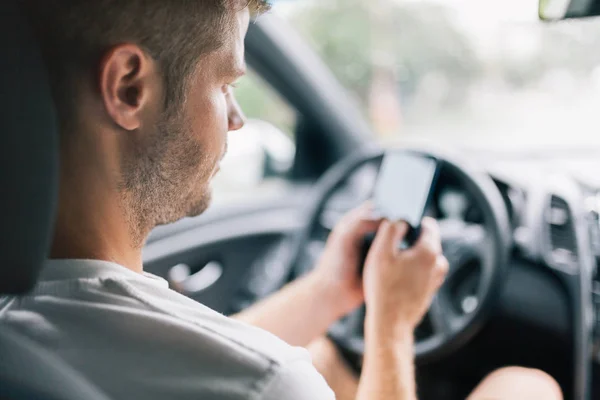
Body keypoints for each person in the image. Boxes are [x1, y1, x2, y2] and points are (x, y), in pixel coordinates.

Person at [0, 1, 562, 399]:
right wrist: (389, 327)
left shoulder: (21, 327)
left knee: (326, 361)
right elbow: (240, 371)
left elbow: (176, 351)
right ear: (129, 88)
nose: (239, 120)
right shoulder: (268, 384)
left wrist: (327, 292)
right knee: (525, 386)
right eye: (225, 85)